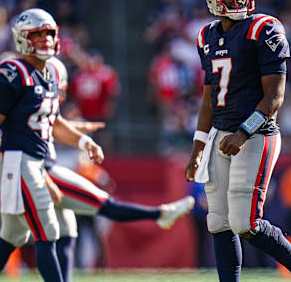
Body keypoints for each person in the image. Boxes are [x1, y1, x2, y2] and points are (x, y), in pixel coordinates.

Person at [184, 0, 291, 282]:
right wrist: (197, 147)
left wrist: (242, 132)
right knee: (218, 221)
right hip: (220, 134)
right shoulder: (206, 35)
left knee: (245, 221)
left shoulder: (264, 28)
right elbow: (208, 98)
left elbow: (275, 97)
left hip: (255, 134)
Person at [0, 8, 103, 282]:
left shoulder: (48, 75)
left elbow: (54, 121)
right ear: (23, 39)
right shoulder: (13, 72)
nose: (45, 40)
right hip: (16, 162)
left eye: (49, 33)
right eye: (37, 34)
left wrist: (82, 138)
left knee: (12, 236)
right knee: (45, 233)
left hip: (34, 163)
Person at [45, 57, 195, 281]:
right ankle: (159, 214)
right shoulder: (34, 105)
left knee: (17, 237)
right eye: (60, 88)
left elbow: (51, 126)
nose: (63, 96)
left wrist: (83, 138)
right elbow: (34, 135)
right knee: (102, 205)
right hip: (37, 174)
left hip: (36, 173)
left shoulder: (41, 109)